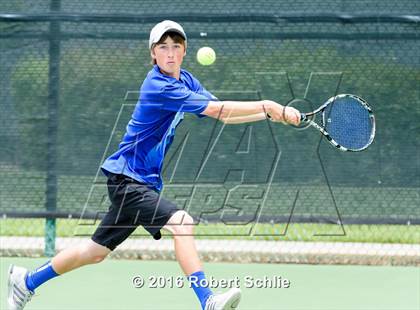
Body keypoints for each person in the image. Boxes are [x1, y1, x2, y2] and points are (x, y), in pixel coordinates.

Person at [7, 20, 300, 310]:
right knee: (182, 223)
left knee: (95, 251)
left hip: (138, 181)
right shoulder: (158, 85)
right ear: (154, 54)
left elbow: (222, 113)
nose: (170, 53)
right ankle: (207, 300)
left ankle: (26, 281)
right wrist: (269, 106)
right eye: (163, 47)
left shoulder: (185, 80)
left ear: (184, 51)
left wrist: (271, 114)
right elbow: (215, 109)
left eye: (176, 46)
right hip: (128, 181)